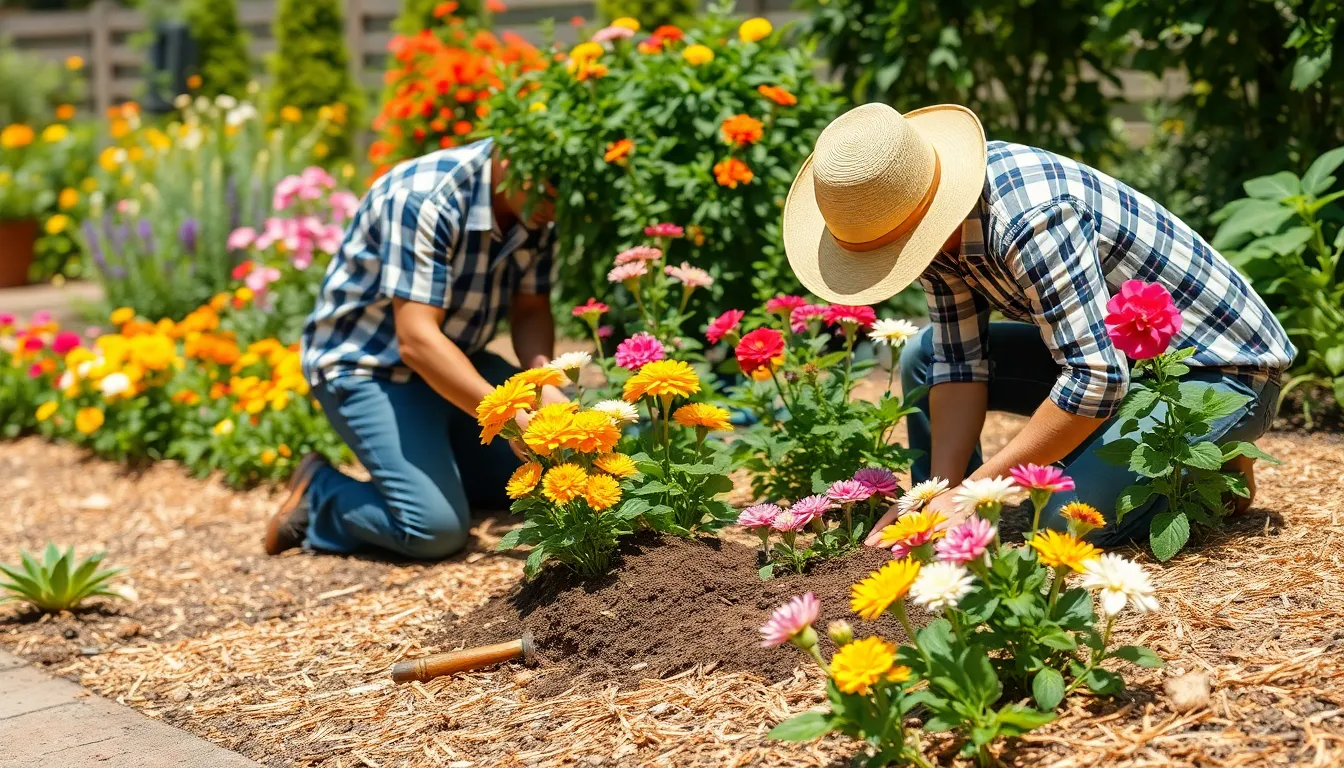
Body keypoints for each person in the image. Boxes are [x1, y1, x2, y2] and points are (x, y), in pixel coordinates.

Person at [781, 103, 1295, 547]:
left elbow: (1097, 379)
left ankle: (1215, 464)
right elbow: (960, 363)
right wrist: (938, 494)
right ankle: (944, 523)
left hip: (1216, 372)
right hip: (1119, 365)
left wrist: (977, 492)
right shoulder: (926, 228)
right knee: (923, 356)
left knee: (1065, 526)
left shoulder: (1030, 218)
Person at [264, 138, 562, 559]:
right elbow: (417, 341)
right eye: (549, 194)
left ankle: (451, 471)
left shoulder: (538, 201)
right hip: (371, 368)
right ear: (512, 158)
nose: (556, 209)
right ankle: (323, 495)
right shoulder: (426, 197)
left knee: (547, 473)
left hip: (457, 359)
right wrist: (512, 415)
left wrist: (545, 384)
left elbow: (531, 307)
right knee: (433, 530)